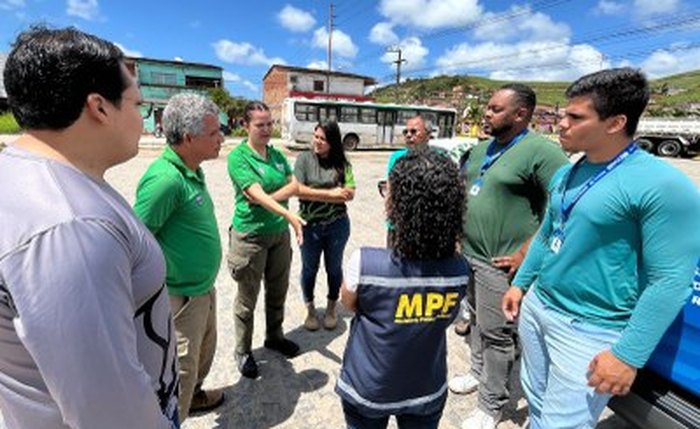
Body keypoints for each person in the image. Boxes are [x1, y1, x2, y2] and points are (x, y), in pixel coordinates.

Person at [502, 68, 700, 429]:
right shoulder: (569, 172)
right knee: (536, 401)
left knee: (564, 424)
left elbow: (671, 280)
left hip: (590, 329)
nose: (560, 123)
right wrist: (521, 284)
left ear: (615, 123)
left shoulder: (663, 185)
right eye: (562, 114)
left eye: (575, 117)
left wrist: (628, 355)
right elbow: (549, 233)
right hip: (539, 308)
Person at [0, 26, 178, 428]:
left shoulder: (29, 175)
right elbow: (112, 416)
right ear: (99, 107)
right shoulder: (69, 225)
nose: (143, 118)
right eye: (138, 105)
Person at [449, 83, 569, 429]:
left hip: (499, 265)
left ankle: (491, 405)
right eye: (487, 108)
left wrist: (526, 253)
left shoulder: (541, 153)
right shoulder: (482, 147)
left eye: (495, 109)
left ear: (521, 114)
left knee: (498, 335)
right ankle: (476, 372)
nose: (486, 114)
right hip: (468, 254)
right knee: (474, 322)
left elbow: (561, 207)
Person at [337, 149, 470, 429]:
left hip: (369, 389)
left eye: (388, 190)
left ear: (399, 205)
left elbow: (349, 303)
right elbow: (451, 318)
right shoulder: (459, 271)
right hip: (425, 389)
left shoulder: (365, 263)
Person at [133, 93, 225, 421]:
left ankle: (194, 398)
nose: (222, 138)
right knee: (179, 371)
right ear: (188, 138)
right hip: (180, 297)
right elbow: (136, 241)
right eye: (214, 133)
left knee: (202, 355)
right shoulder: (165, 180)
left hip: (201, 288)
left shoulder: (191, 169)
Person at [227, 101, 305, 379]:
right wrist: (288, 213)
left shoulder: (276, 154)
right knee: (247, 298)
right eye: (259, 124)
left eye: (269, 123)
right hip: (250, 236)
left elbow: (293, 184)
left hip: (278, 234)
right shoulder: (239, 157)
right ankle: (243, 350)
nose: (266, 129)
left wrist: (265, 201)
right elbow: (252, 191)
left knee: (278, 290)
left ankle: (274, 336)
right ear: (245, 126)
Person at [294, 120, 355, 331]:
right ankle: (310, 309)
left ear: (333, 142)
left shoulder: (343, 164)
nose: (317, 142)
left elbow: (350, 193)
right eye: (316, 136)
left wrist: (315, 192)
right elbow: (298, 189)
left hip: (337, 225)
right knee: (309, 269)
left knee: (334, 268)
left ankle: (331, 308)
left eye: (323, 139)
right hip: (309, 226)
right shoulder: (304, 159)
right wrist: (331, 194)